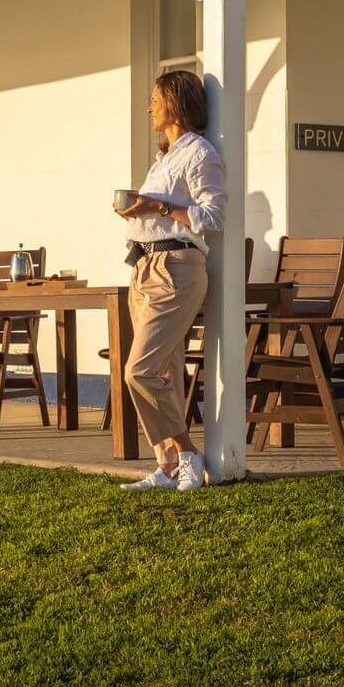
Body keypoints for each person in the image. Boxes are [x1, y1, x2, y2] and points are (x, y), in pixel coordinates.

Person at [114, 70, 225, 491]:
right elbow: (156, 209)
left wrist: (157, 207)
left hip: (175, 269)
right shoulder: (164, 158)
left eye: (154, 99)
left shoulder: (200, 154)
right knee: (165, 372)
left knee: (138, 371)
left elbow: (213, 217)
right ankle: (168, 466)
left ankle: (187, 451)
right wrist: (139, 210)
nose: (149, 107)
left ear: (175, 102)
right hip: (143, 269)